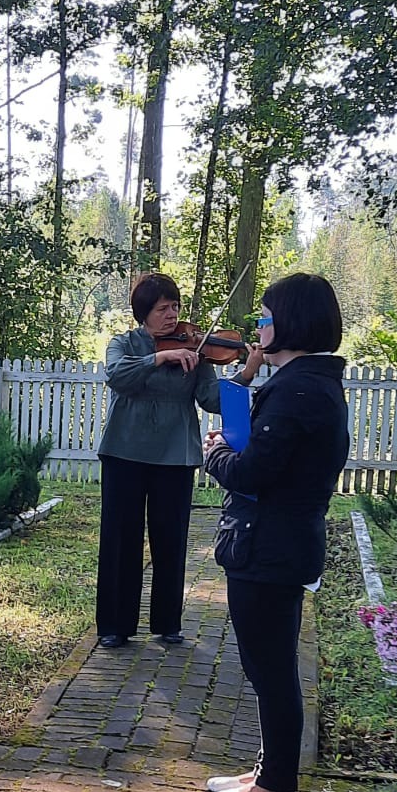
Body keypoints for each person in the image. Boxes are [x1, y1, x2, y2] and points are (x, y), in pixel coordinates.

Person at [201, 271, 349, 792]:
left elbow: (254, 473)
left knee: (271, 668)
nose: (259, 325)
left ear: (291, 322)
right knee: (269, 665)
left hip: (270, 548)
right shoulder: (306, 383)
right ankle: (269, 769)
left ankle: (275, 785)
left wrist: (216, 454)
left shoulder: (298, 389)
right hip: (277, 544)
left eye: (265, 316)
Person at [96, 271, 262, 648]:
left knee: (171, 538)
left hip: (175, 453)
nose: (172, 315)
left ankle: (167, 623)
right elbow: (117, 376)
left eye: (174, 307)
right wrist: (160, 357)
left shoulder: (196, 348)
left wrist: (247, 372)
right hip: (124, 449)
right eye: (162, 309)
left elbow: (211, 399)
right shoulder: (124, 344)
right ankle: (114, 626)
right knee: (121, 538)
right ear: (143, 312)